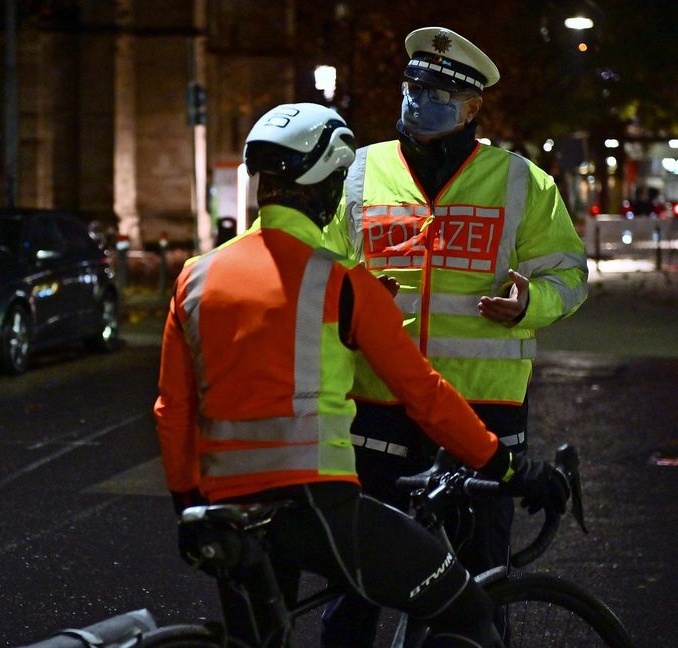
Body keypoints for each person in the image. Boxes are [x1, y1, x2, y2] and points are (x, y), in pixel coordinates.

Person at [154, 102, 569, 648]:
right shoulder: (342, 283)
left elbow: (172, 410)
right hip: (315, 506)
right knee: (470, 609)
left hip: (223, 509)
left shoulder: (196, 276)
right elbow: (424, 395)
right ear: (327, 187)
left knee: (260, 641)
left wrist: (188, 506)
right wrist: (507, 466)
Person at [320, 26, 588, 645]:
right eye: (413, 87)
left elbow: (569, 275)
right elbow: (318, 265)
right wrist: (349, 297)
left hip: (481, 412)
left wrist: (530, 303)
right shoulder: (358, 173)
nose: (420, 100)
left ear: (472, 108)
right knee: (356, 584)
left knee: (477, 588)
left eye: (438, 93)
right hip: (377, 406)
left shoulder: (521, 182)